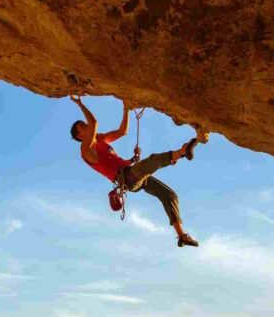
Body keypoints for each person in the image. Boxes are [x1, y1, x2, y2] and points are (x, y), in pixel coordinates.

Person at [69, 94, 200, 247]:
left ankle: (182, 236)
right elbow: (94, 122)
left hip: (131, 173)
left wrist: (126, 108)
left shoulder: (100, 139)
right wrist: (80, 104)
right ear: (79, 136)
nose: (87, 126)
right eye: (83, 127)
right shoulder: (85, 149)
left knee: (169, 195)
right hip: (127, 178)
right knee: (154, 161)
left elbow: (122, 131)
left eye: (85, 124)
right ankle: (182, 151)